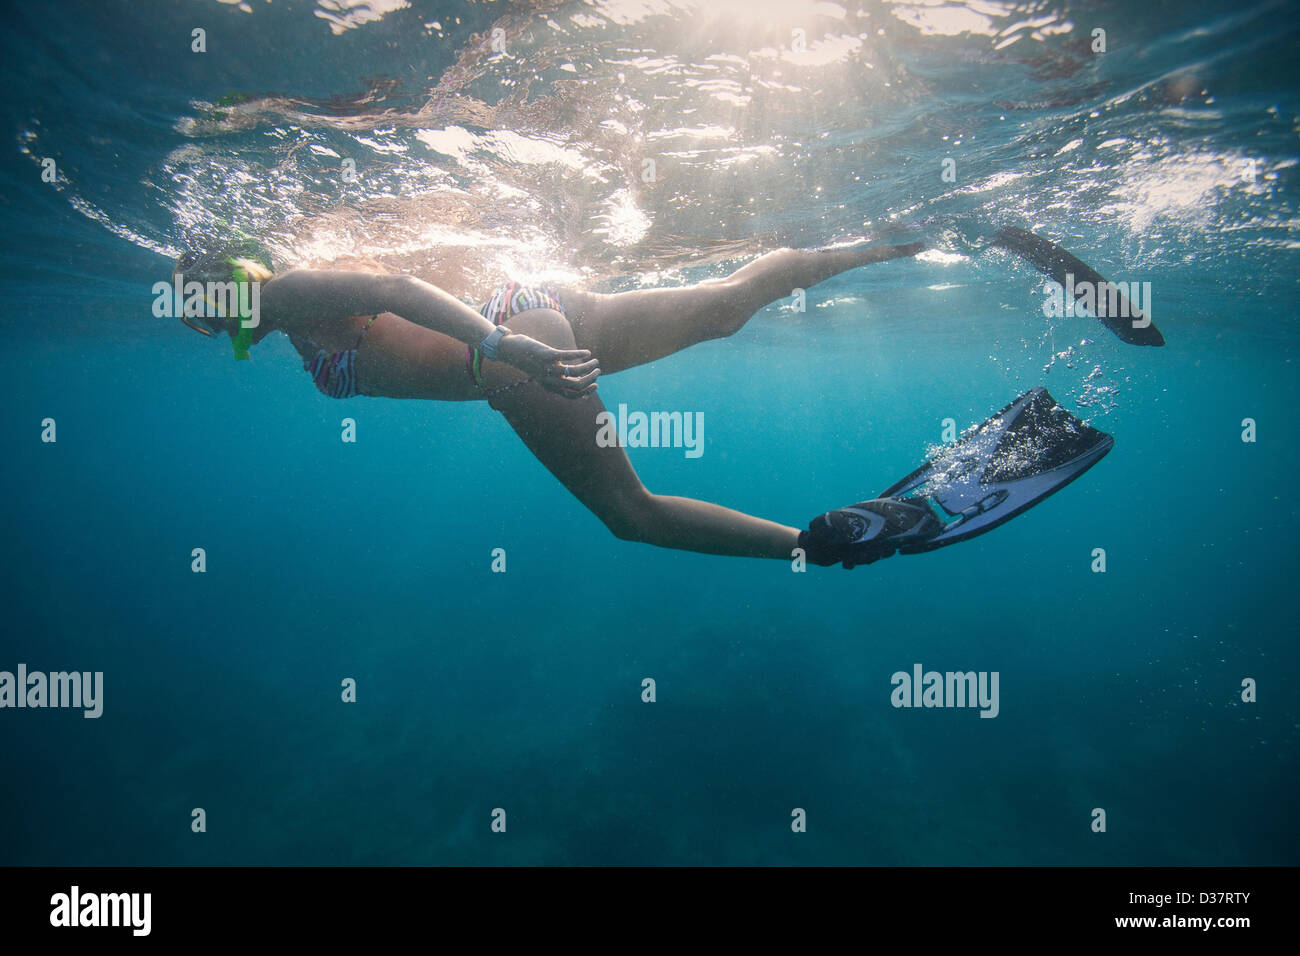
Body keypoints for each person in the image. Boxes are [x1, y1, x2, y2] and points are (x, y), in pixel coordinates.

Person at [174, 238, 1110, 568]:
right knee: (725, 307)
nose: (206, 327)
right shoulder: (280, 304)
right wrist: (515, 331)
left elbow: (401, 285)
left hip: (509, 355)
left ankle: (833, 540)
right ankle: (912, 236)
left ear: (225, 288)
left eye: (201, 309)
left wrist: (505, 350)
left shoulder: (280, 298)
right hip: (532, 313)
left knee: (634, 516)